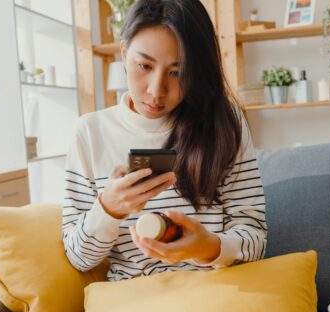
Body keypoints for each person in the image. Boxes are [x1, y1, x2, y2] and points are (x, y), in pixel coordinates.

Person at [62, 0, 267, 281]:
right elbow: (78, 258)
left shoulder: (225, 122)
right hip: (133, 300)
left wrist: (207, 247)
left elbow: (255, 238)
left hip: (214, 293)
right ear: (123, 52)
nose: (156, 90)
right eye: (144, 65)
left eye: (177, 72)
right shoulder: (90, 132)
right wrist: (108, 207)